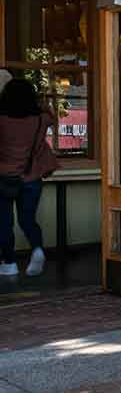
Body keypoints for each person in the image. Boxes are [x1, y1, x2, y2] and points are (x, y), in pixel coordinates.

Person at [0, 77, 59, 278]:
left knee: (4, 223)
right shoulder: (40, 120)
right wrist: (44, 106)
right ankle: (37, 249)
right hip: (31, 177)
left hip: (3, 179)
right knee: (28, 220)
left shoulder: (2, 120)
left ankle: (9, 263)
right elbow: (53, 118)